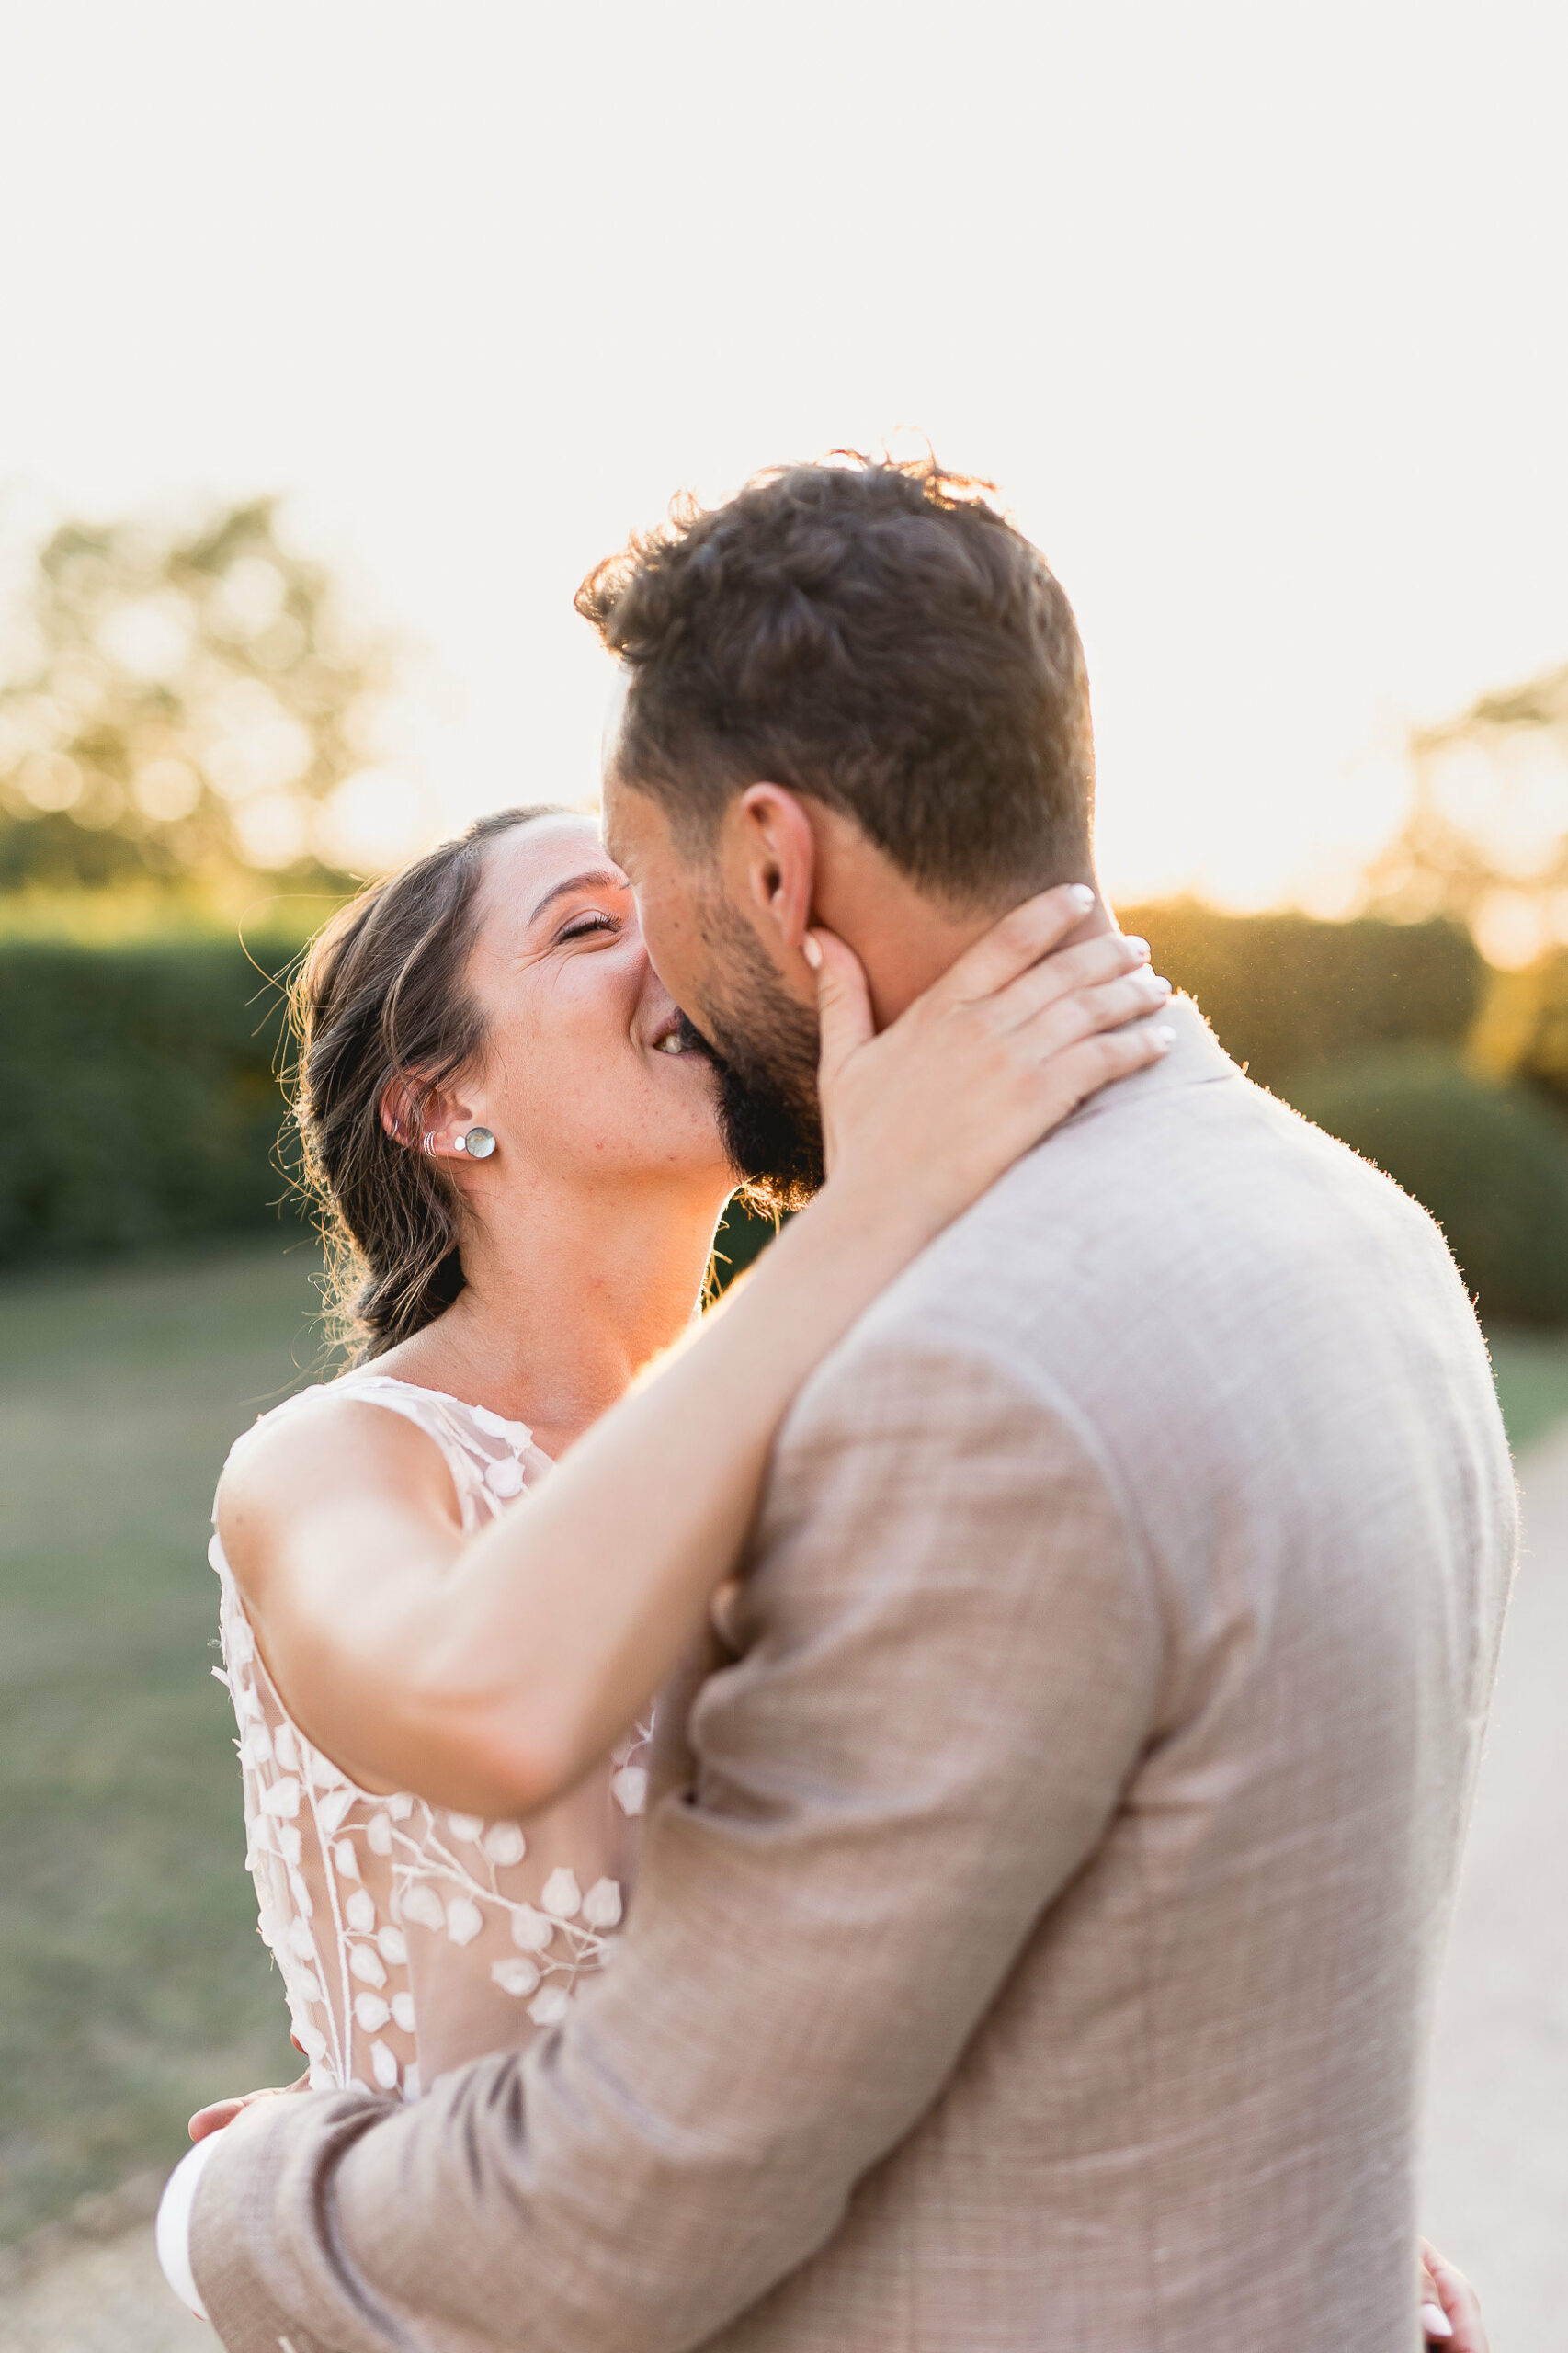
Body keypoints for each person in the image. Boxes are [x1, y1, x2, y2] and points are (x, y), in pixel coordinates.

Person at [168, 455, 1510, 2352]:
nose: (666, 938)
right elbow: (479, 1700)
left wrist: (1277, 2216)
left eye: (652, 885)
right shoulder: (330, 1463)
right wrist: (871, 1208)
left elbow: (951, 1926)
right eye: (586, 921)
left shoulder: (854, 1399)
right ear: (440, 1104)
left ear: (777, 859)